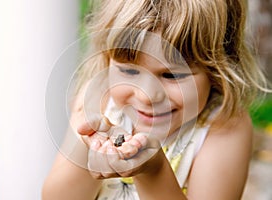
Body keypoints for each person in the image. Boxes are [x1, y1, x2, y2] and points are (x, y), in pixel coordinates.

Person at [42, 0, 270, 199]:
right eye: (129, 72)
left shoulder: (224, 127)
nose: (146, 96)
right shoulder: (99, 101)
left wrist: (153, 170)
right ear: (107, 58)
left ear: (217, 70)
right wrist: (90, 152)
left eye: (171, 75)